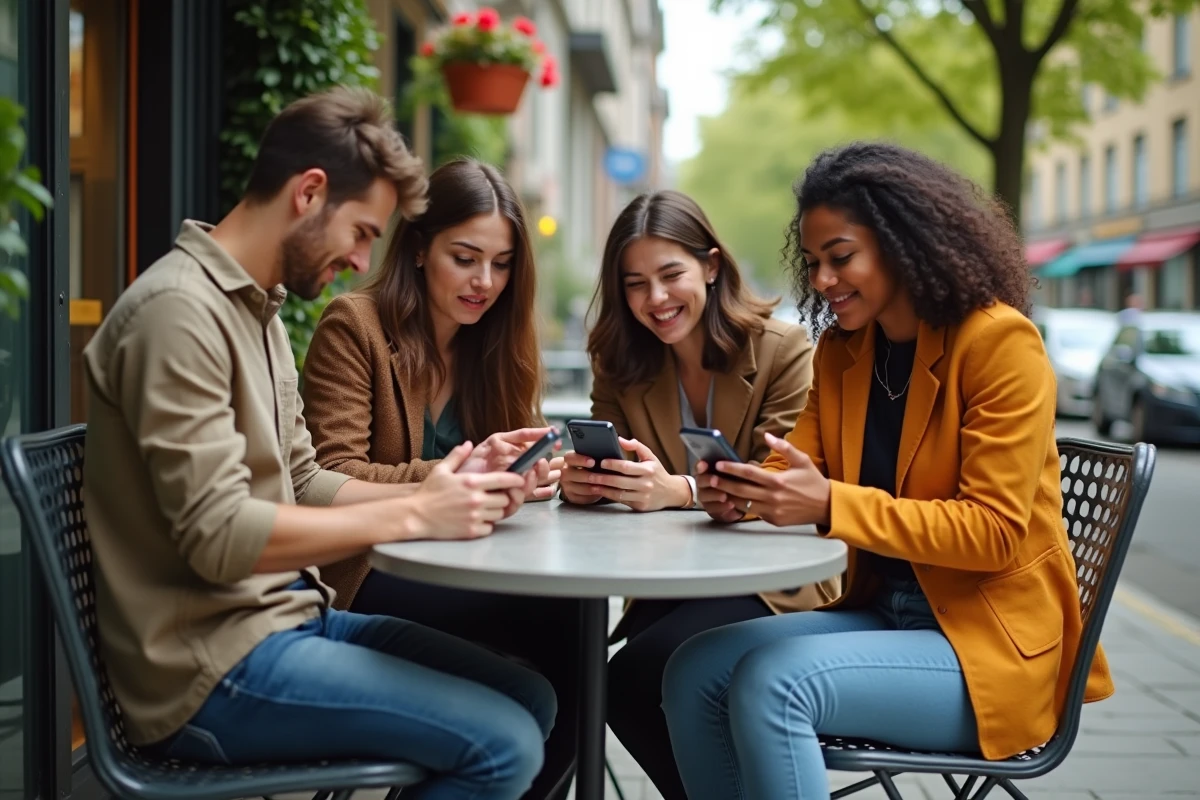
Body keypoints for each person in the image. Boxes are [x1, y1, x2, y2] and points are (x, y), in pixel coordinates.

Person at [81, 86, 556, 800]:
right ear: (308, 193)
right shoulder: (178, 313)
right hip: (208, 667)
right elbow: (218, 537)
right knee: (504, 744)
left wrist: (438, 485)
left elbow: (305, 480)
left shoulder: (259, 313)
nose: (364, 260)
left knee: (532, 697)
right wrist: (416, 514)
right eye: (362, 232)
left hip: (288, 619)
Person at [661, 142, 1115, 800]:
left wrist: (829, 505)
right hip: (887, 613)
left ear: (904, 245)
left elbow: (993, 533)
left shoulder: (999, 343)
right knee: (693, 669)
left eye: (841, 257)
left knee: (775, 683)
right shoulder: (844, 352)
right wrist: (743, 491)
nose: (822, 280)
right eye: (813, 262)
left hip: (988, 649)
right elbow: (796, 465)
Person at [300, 158, 578, 800]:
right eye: (465, 258)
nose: (485, 282)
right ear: (421, 248)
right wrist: (464, 473)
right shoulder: (355, 326)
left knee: (571, 631)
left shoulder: (498, 343)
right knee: (555, 631)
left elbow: (511, 461)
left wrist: (538, 473)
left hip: (468, 562)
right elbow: (331, 475)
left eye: (502, 264)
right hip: (369, 570)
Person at [557, 190, 840, 800]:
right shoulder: (619, 362)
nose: (655, 298)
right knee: (606, 681)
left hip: (773, 580)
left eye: (670, 275)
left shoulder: (784, 350)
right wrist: (586, 485)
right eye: (635, 284)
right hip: (672, 581)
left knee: (636, 675)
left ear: (711, 266)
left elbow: (784, 477)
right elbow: (616, 470)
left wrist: (680, 490)